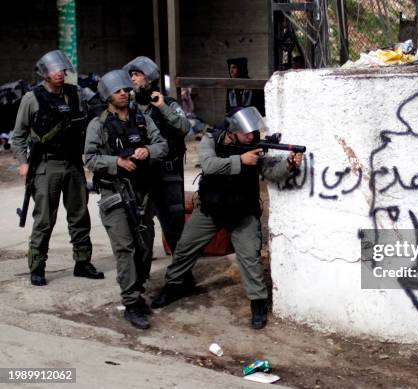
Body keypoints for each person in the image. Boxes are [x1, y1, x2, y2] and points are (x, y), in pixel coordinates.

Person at [151, 106, 303, 330]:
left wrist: (289, 163)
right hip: (210, 209)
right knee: (185, 248)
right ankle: (174, 285)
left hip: (243, 211)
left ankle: (258, 302)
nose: (251, 136)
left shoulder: (255, 145)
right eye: (247, 132)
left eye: (253, 132)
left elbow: (271, 173)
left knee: (250, 258)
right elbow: (208, 165)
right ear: (233, 129)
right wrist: (240, 160)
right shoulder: (211, 139)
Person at [84, 69, 168, 330]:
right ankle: (131, 303)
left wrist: (148, 150)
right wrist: (116, 162)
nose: (123, 93)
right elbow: (89, 158)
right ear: (108, 95)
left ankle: (138, 290)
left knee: (144, 247)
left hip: (142, 194)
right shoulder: (98, 125)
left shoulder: (141, 118)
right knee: (125, 248)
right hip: (115, 195)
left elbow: (162, 146)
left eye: (125, 89)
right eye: (117, 90)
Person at [12, 49, 103, 286]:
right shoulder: (32, 99)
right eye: (54, 71)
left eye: (62, 70)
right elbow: (18, 136)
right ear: (45, 74)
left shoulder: (76, 94)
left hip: (73, 164)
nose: (59, 74)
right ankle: (37, 267)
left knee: (80, 216)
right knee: (44, 219)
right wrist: (23, 163)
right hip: (46, 165)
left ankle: (83, 262)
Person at [123, 56, 190, 253]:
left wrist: (162, 107)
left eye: (137, 75)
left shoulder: (167, 103)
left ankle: (182, 275)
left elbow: (184, 127)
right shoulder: (130, 106)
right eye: (131, 75)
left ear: (150, 79)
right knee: (140, 224)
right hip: (141, 173)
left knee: (174, 226)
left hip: (167, 174)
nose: (133, 79)